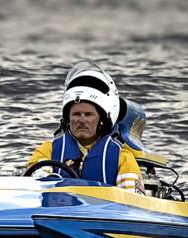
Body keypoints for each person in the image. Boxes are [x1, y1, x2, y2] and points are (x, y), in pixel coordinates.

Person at [27, 62, 145, 194]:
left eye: (88, 115)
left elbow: (133, 202)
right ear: (68, 118)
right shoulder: (47, 150)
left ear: (101, 119)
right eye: (76, 114)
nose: (82, 120)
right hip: (57, 212)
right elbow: (35, 190)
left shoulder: (122, 158)